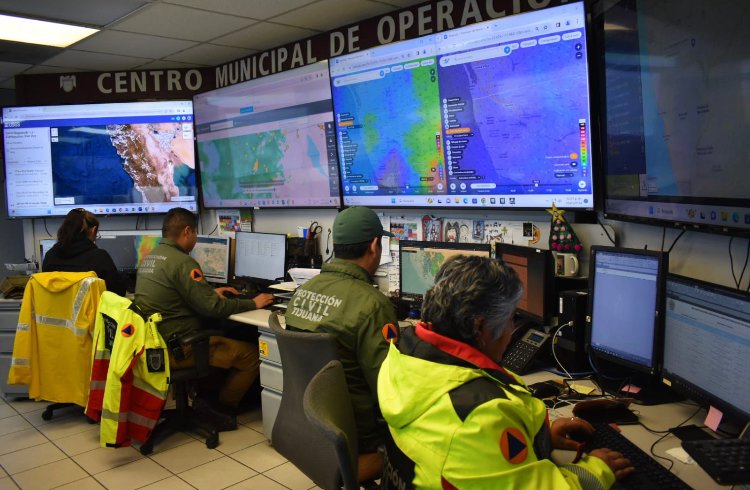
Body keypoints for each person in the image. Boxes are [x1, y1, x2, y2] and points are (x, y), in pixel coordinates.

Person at [378, 256, 634, 489]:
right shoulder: (481, 415)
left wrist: (540, 437)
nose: (513, 328)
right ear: (481, 328)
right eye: (512, 318)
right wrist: (596, 470)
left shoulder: (402, 357)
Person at [285, 206, 398, 482]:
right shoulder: (372, 305)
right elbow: (389, 386)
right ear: (374, 246)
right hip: (360, 433)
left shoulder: (301, 293)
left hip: (313, 422)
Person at [134, 207, 273, 428]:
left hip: (152, 344)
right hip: (179, 347)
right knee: (252, 355)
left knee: (225, 333)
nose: (195, 239)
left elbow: (179, 298)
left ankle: (206, 399)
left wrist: (210, 294)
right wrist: (253, 302)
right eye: (196, 233)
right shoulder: (183, 262)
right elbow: (213, 308)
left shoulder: (151, 257)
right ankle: (219, 409)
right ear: (187, 231)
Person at [42, 208, 127, 296]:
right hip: (90, 310)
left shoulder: (50, 256)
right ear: (93, 230)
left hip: (56, 309)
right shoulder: (99, 258)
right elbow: (117, 294)